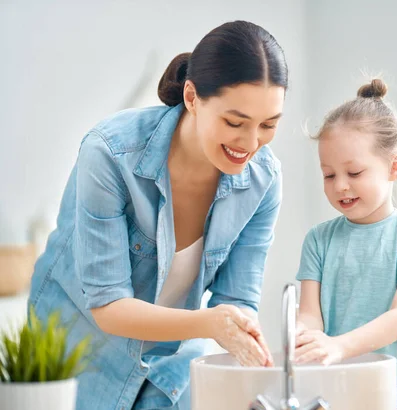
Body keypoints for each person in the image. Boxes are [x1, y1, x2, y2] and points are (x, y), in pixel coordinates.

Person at [28, 20, 287, 410]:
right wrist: (212, 323)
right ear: (192, 97)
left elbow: (236, 301)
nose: (251, 144)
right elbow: (109, 306)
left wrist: (246, 343)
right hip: (78, 360)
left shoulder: (262, 182)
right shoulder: (111, 154)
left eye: (268, 126)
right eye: (235, 123)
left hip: (166, 365)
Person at [294, 79, 397, 366]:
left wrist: (339, 346)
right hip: (333, 384)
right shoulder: (318, 240)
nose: (340, 186)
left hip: (396, 389)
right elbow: (311, 314)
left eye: (354, 172)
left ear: (394, 167)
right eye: (328, 175)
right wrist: (302, 335)